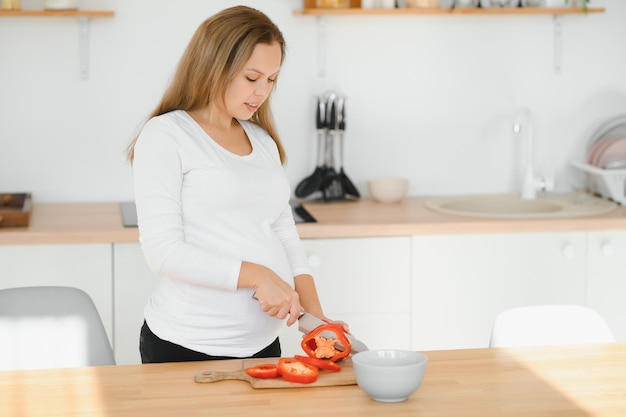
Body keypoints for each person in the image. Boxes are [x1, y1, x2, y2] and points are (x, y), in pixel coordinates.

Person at [126, 5, 347, 363]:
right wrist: (258, 276)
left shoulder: (261, 139)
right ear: (215, 66)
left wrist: (316, 317)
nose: (262, 91)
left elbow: (282, 228)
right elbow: (163, 251)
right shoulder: (167, 135)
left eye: (271, 79)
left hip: (263, 347)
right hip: (185, 347)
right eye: (252, 77)